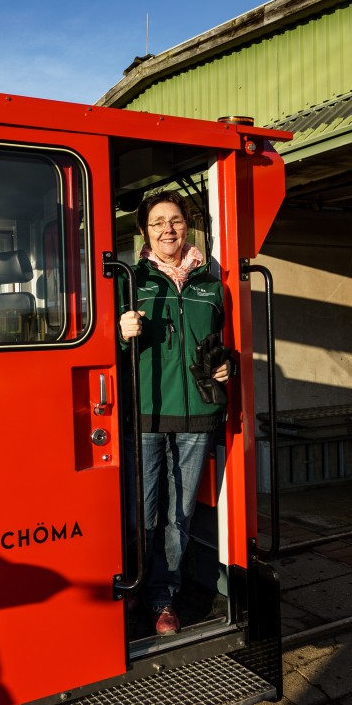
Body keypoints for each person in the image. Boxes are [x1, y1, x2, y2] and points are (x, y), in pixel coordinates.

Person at [118, 190, 231, 636]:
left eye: (177, 221)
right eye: (158, 221)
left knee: (178, 517)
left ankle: (163, 599)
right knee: (141, 515)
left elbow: (225, 343)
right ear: (145, 231)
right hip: (145, 414)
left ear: (188, 226)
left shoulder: (210, 284)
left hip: (196, 414)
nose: (168, 229)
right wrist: (116, 329)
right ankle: (132, 591)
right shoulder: (129, 279)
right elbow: (94, 344)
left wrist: (228, 364)